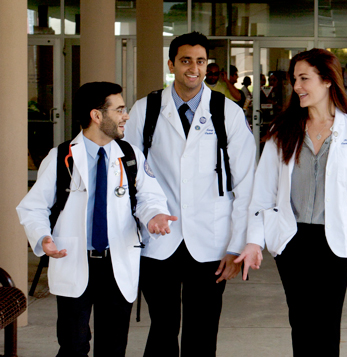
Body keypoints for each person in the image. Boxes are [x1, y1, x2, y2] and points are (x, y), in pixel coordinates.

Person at [16, 82, 176, 357]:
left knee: (113, 348)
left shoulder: (130, 156)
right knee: (73, 345)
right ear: (97, 115)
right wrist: (43, 237)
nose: (126, 116)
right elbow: (33, 207)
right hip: (74, 257)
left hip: (116, 263)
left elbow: (150, 198)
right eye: (120, 110)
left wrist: (155, 217)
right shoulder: (61, 158)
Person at [235, 48, 347, 356]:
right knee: (301, 323)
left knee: (327, 327)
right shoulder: (282, 131)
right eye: (294, 79)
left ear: (326, 80)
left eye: (304, 78)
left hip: (334, 241)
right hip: (293, 240)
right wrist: (253, 242)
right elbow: (262, 193)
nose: (297, 86)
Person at [124, 31, 256, 356]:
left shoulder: (228, 113)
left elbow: (247, 184)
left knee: (203, 328)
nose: (193, 68)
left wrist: (238, 245)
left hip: (212, 241)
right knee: (163, 326)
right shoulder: (146, 109)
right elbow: (128, 174)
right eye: (185, 61)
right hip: (159, 239)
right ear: (172, 64)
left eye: (200, 61)